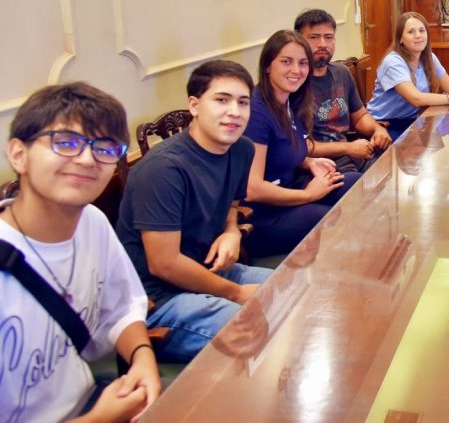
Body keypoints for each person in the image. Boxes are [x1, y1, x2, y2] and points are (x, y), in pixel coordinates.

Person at [0, 83, 160, 422]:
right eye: (66, 142)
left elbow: (122, 306)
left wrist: (143, 357)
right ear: (18, 154)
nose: (87, 159)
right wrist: (98, 419)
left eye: (105, 147)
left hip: (90, 399)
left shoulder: (92, 222)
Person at [117, 60, 274, 362]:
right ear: (194, 105)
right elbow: (164, 264)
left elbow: (231, 205)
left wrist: (231, 232)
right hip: (158, 298)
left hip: (209, 269)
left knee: (293, 292)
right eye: (222, 100)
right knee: (255, 327)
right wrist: (235, 293)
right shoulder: (163, 169)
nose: (234, 111)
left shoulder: (241, 149)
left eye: (243, 102)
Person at [242, 30, 361, 258]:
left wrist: (308, 162)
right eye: (286, 62)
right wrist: (308, 195)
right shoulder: (256, 112)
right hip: (263, 214)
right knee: (330, 217)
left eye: (303, 63)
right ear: (267, 66)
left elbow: (284, 149)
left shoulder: (290, 100)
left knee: (355, 183)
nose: (296, 70)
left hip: (291, 188)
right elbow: (252, 189)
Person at [294, 9, 391, 173]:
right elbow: (302, 146)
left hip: (352, 153)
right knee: (365, 184)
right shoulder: (294, 83)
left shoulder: (342, 72)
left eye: (329, 37)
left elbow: (359, 117)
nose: (322, 44)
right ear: (298, 41)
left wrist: (377, 129)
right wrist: (348, 148)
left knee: (395, 164)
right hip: (321, 164)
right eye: (314, 37)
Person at [366, 12, 449, 140]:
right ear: (400, 39)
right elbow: (416, 99)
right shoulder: (393, 62)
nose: (418, 35)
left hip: (412, 120)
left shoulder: (428, 57)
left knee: (444, 140)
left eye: (422, 30)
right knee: (429, 146)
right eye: (411, 32)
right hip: (385, 125)